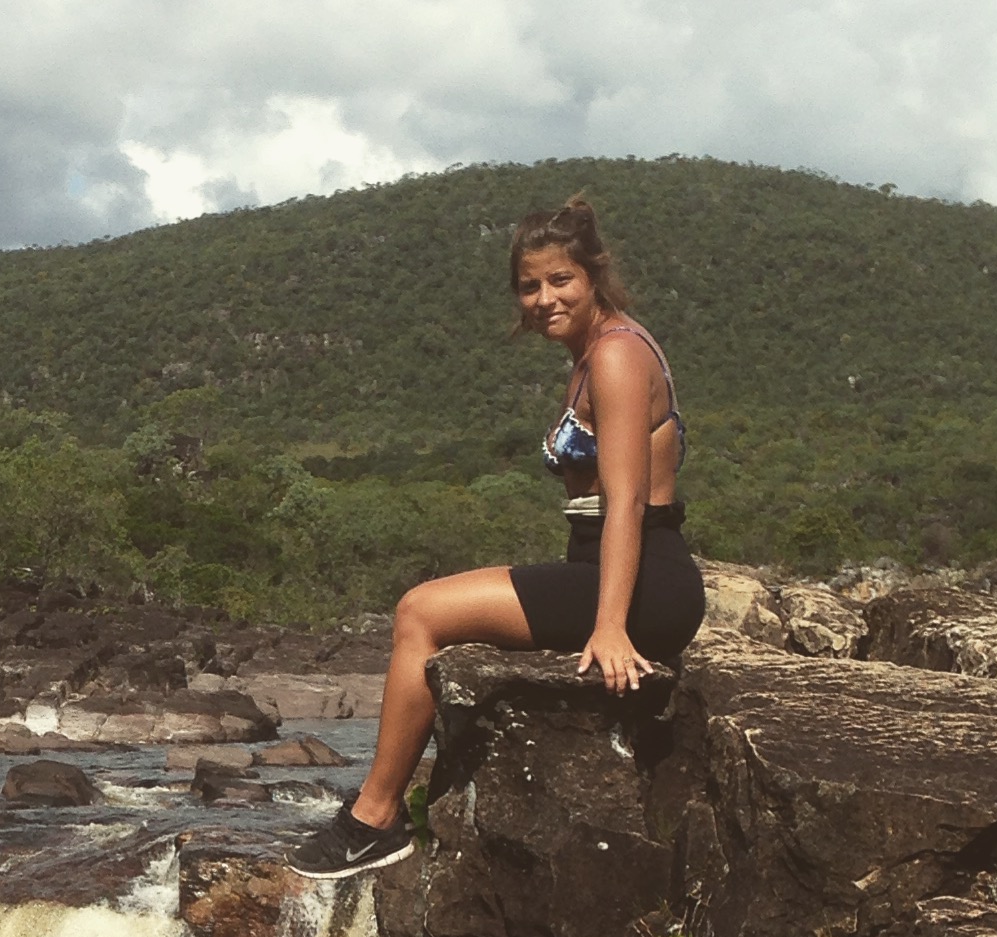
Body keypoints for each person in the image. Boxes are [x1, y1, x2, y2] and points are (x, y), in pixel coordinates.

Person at [289, 196, 708, 879]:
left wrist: (608, 626)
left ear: (594, 275)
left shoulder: (617, 356)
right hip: (609, 572)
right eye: (529, 285)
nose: (544, 298)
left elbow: (627, 499)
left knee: (419, 613)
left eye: (559, 281)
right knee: (433, 608)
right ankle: (382, 810)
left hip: (644, 586)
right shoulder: (595, 353)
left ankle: (374, 818)